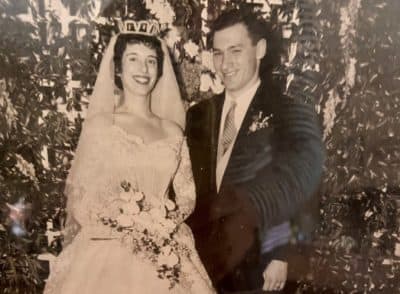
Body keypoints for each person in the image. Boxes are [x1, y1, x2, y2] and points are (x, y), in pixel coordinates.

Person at [44, 20, 215, 294]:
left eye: (150, 61)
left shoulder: (172, 131)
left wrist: (161, 223)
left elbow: (186, 196)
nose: (143, 69)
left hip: (164, 246)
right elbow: (81, 198)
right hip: (107, 250)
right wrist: (123, 222)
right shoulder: (101, 126)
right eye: (133, 59)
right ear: (119, 68)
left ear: (160, 70)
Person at [186, 8, 324, 293]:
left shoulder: (290, 113)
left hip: (260, 267)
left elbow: (306, 191)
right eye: (218, 52)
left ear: (259, 49)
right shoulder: (198, 115)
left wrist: (283, 254)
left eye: (235, 50)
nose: (225, 64)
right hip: (202, 266)